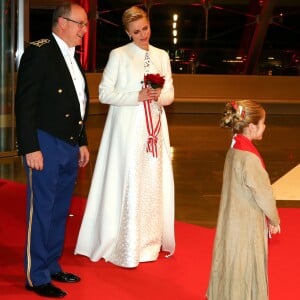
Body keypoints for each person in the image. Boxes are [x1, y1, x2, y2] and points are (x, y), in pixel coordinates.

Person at [75, 5, 175, 268]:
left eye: (145, 28)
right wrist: (136, 96)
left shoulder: (162, 55)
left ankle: (149, 240)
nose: (143, 35)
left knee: (151, 183)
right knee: (127, 179)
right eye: (136, 31)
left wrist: (157, 95)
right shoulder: (118, 55)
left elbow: (170, 95)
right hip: (126, 131)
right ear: (128, 33)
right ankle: (124, 240)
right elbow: (105, 94)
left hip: (154, 130)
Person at [15, 2, 89, 298]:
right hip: (44, 143)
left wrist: (81, 140)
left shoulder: (72, 57)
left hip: (69, 144)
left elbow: (77, 103)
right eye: (80, 24)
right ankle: (36, 275)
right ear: (62, 23)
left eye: (85, 24)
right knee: (42, 211)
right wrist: (30, 147)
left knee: (59, 210)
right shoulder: (40, 52)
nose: (85, 30)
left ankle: (52, 264)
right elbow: (25, 103)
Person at [206, 100, 281, 300]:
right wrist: (274, 219)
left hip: (232, 218)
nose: (265, 126)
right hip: (246, 222)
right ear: (251, 127)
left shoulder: (234, 149)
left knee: (232, 260)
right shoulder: (250, 158)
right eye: (263, 123)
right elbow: (264, 194)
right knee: (244, 263)